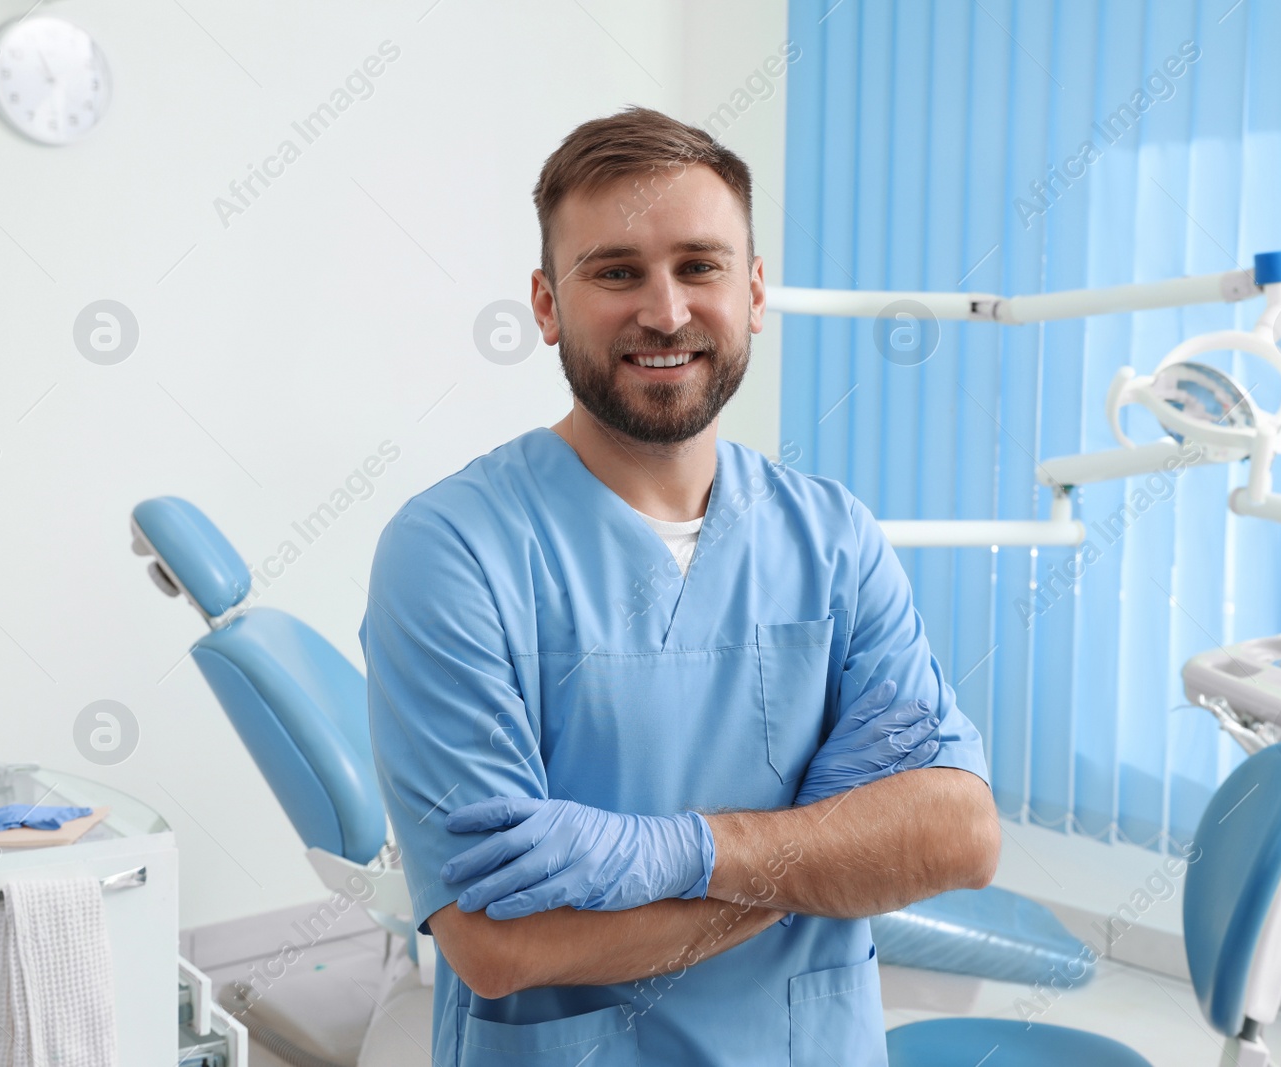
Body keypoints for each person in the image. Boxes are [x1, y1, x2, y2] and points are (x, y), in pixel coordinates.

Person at [360, 106, 1000, 1066]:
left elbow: (959, 834)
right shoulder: (453, 551)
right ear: (545, 304)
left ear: (752, 293)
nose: (664, 311)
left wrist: (673, 853)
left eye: (699, 265)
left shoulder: (833, 539)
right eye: (616, 271)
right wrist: (823, 855)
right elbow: (498, 943)